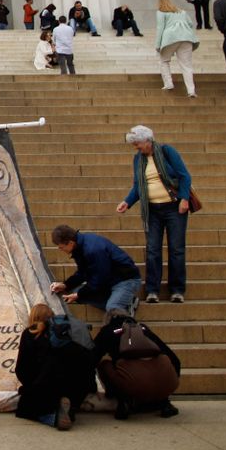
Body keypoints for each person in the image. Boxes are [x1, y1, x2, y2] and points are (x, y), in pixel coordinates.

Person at [117, 125, 192, 304]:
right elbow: (138, 186)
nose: (135, 147)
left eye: (137, 144)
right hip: (152, 210)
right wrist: (127, 202)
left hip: (174, 207)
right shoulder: (138, 160)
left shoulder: (167, 151)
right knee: (152, 250)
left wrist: (184, 198)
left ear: (147, 141)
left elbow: (184, 176)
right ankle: (152, 290)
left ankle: (177, 290)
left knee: (176, 249)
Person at [13, 303, 96, 431]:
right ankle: (69, 409)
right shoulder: (68, 332)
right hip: (76, 386)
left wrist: (30, 387)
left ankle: (54, 417)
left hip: (49, 386)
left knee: (24, 409)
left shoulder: (30, 333)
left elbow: (21, 368)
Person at [93, 309, 181, 420]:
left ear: (108, 320)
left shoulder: (108, 331)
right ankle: (164, 402)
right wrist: (170, 382)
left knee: (104, 364)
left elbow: (92, 358)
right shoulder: (143, 329)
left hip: (133, 383)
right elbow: (175, 360)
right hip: (168, 384)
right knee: (158, 363)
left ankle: (122, 401)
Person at [49, 223, 141, 318]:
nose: (59, 249)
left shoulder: (93, 250)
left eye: (61, 247)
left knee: (113, 308)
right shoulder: (79, 247)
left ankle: (126, 305)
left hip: (126, 280)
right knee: (74, 291)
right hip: (109, 281)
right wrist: (65, 285)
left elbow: (99, 279)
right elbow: (82, 273)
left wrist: (79, 294)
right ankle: (123, 302)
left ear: (70, 243)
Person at [156, 0, 199, 98]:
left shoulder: (161, 12)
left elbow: (160, 28)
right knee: (186, 66)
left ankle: (168, 83)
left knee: (164, 61)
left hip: (170, 38)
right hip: (186, 38)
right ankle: (191, 90)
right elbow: (190, 24)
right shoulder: (182, 12)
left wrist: (158, 44)